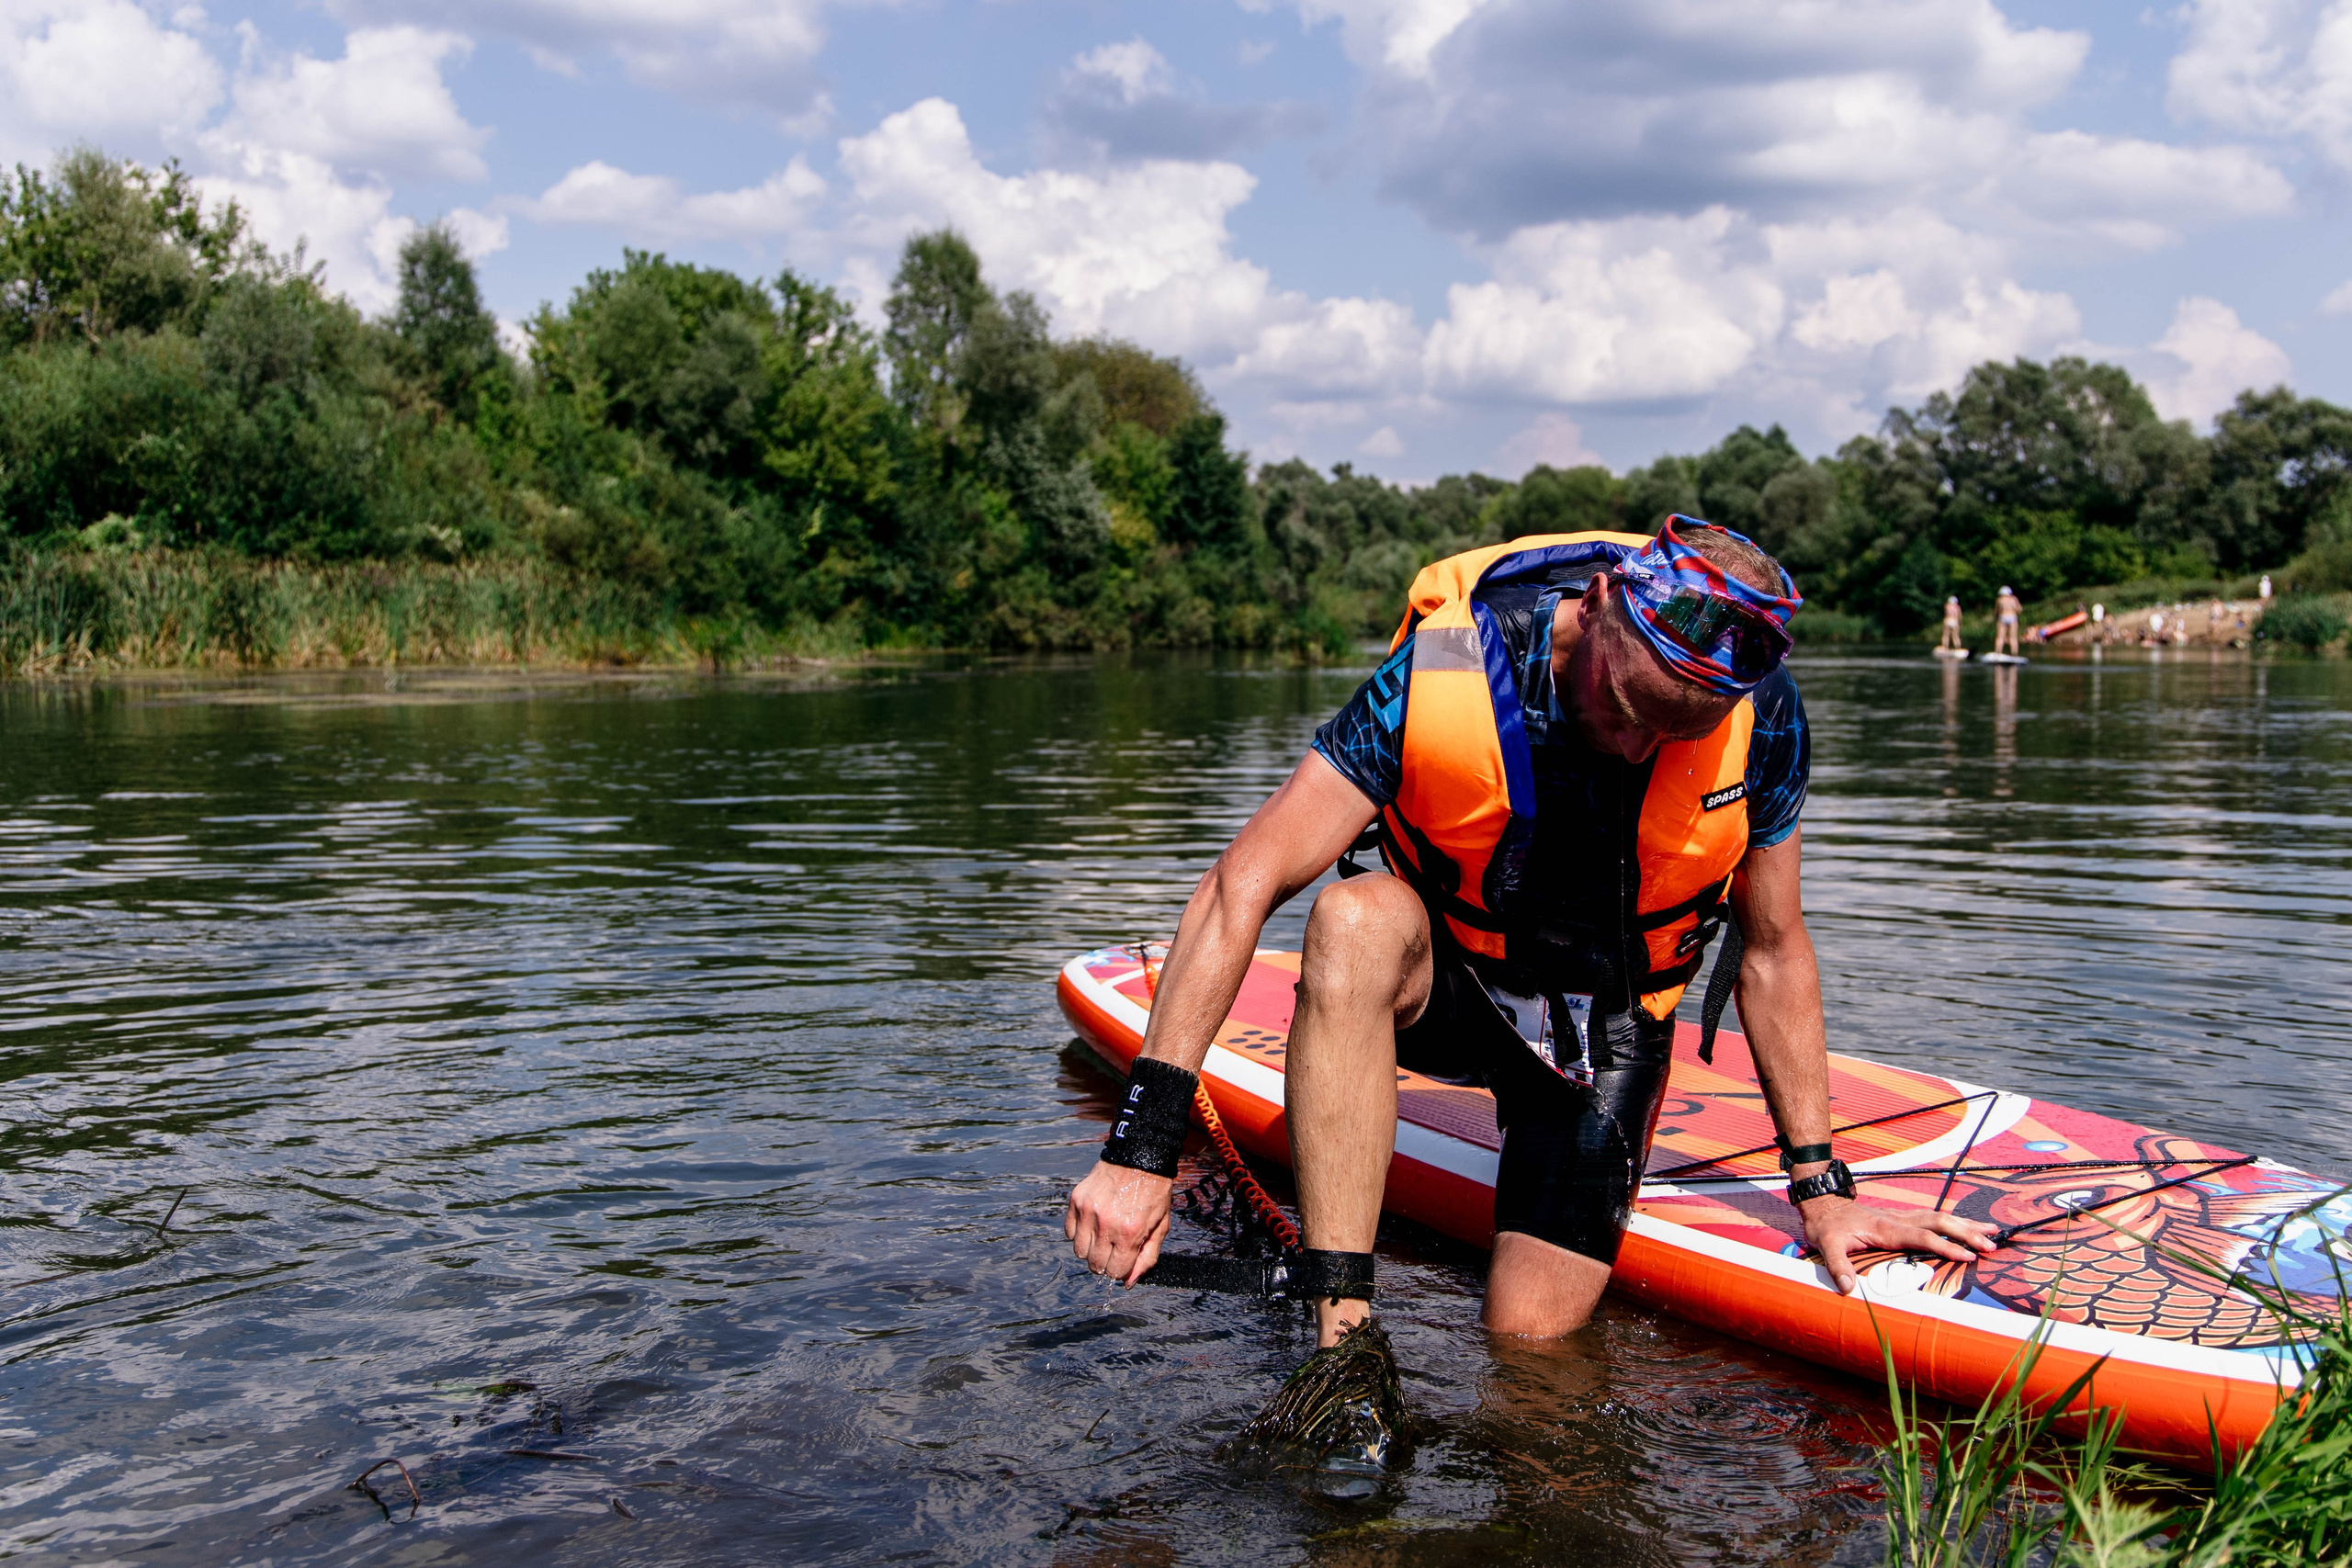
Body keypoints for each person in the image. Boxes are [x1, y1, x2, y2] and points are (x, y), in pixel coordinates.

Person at [1063, 519, 1997, 1471]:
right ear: (1595, 606)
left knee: (1533, 1377)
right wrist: (1140, 1147)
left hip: (1607, 1037)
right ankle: (1342, 1345)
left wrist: (1821, 1189)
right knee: (1354, 919)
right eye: (1622, 704)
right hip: (1449, 988)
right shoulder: (1447, 669)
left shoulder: (1768, 717)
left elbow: (1772, 949)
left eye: (1674, 730)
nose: (1635, 747)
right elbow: (1242, 884)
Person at [1992, 585, 2022, 657]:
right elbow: (2020, 610)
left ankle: (1998, 653)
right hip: (2013, 617)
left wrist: (1995, 617)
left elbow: (1997, 611)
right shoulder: (2014, 599)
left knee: (2000, 637)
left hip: (2002, 617)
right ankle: (2014, 654)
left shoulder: (1999, 600)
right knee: (2013, 638)